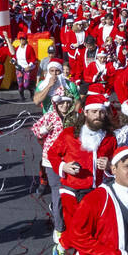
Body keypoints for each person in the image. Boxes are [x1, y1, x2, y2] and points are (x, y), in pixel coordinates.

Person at [49, 100, 118, 255]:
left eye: (101, 112)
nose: (98, 116)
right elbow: (52, 154)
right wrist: (65, 166)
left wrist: (110, 166)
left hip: (95, 191)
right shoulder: (69, 134)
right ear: (85, 113)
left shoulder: (110, 138)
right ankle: (65, 251)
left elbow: (117, 165)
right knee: (78, 230)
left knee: (88, 233)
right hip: (70, 188)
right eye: (94, 112)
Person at [32, 93, 76, 234]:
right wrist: (45, 130)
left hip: (70, 160)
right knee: (57, 193)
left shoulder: (75, 117)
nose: (65, 105)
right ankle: (59, 229)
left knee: (70, 194)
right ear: (56, 104)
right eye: (61, 103)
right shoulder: (50, 116)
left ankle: (69, 224)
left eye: (67, 103)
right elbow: (36, 130)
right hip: (51, 162)